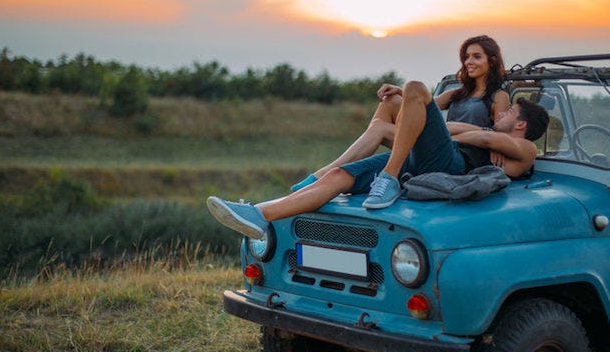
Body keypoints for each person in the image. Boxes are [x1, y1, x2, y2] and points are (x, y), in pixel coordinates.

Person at [206, 81, 549, 240]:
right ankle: (260, 214)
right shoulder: (491, 133)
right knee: (340, 176)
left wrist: (472, 134)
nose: (502, 113)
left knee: (416, 88)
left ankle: (389, 176)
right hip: (427, 159)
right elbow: (453, 130)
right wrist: (420, 117)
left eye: (510, 112)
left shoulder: (527, 149)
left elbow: (484, 138)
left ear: (521, 124)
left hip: (451, 166)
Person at [290, 35, 510, 191]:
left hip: (457, 158)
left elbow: (498, 132)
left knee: (381, 127)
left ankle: (320, 177)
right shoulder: (457, 93)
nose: (469, 62)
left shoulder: (498, 96)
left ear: (491, 60)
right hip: (440, 145)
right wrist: (400, 92)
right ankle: (322, 175)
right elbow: (424, 106)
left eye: (476, 57)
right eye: (466, 57)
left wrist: (484, 139)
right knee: (391, 101)